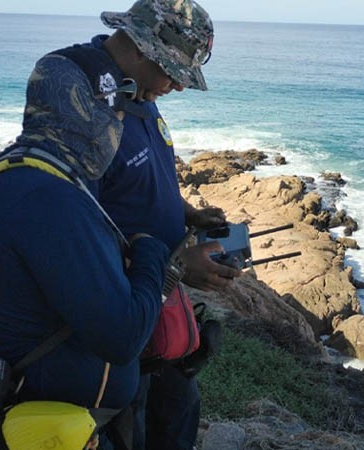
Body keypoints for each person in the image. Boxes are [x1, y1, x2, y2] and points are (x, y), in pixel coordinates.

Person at [0, 23, 171, 448]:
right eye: (116, 114)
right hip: (46, 418)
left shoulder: (19, 168)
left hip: (24, 382)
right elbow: (122, 339)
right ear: (91, 117)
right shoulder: (47, 199)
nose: (119, 127)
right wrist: (151, 255)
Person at [92, 1, 244, 449]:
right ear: (140, 47)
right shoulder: (90, 115)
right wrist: (177, 265)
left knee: (177, 410)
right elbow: (82, 235)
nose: (177, 85)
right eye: (173, 71)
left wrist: (188, 214)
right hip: (125, 309)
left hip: (162, 304)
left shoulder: (139, 97)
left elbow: (143, 179)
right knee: (130, 425)